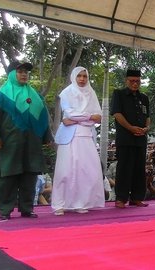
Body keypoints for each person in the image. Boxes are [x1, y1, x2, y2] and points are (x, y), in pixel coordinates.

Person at [0, 61, 52, 220]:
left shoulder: (35, 95)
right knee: (8, 175)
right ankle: (5, 210)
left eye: (26, 72)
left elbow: (43, 117)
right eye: (20, 71)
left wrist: (47, 136)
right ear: (11, 74)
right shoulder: (1, 95)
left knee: (30, 175)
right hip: (10, 141)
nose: (24, 74)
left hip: (32, 142)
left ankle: (26, 208)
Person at [51, 67, 105, 215]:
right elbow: (69, 113)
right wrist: (88, 117)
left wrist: (80, 118)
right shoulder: (66, 93)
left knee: (85, 171)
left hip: (86, 136)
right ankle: (59, 204)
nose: (82, 79)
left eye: (84, 76)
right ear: (74, 77)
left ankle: (81, 202)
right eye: (79, 76)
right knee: (65, 171)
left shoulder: (91, 92)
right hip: (69, 136)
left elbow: (98, 117)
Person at [110, 69, 151, 208]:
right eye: (132, 81)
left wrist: (146, 128)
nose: (135, 84)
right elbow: (116, 114)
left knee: (139, 168)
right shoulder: (119, 94)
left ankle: (136, 197)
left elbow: (148, 117)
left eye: (137, 81)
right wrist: (131, 128)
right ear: (126, 81)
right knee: (124, 168)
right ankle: (121, 198)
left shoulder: (144, 97)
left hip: (141, 138)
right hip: (125, 137)